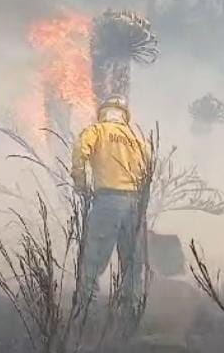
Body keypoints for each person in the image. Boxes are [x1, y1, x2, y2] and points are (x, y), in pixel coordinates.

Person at [71, 95, 150, 313]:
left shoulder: (97, 130)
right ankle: (131, 313)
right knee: (133, 264)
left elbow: (80, 152)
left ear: (103, 111)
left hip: (107, 202)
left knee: (93, 259)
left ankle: (85, 315)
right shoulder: (137, 139)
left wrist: (81, 183)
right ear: (125, 115)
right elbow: (149, 171)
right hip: (134, 205)